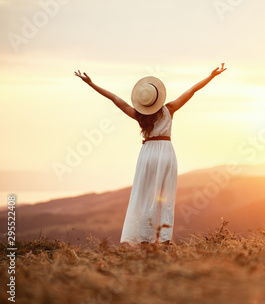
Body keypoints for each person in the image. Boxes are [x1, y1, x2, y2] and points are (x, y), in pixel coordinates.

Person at [75, 63, 227, 247]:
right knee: (166, 195)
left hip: (147, 154)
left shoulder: (138, 115)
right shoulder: (169, 109)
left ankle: (145, 239)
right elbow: (192, 90)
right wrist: (211, 76)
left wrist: (91, 84)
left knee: (146, 194)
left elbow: (115, 99)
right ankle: (164, 239)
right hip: (165, 151)